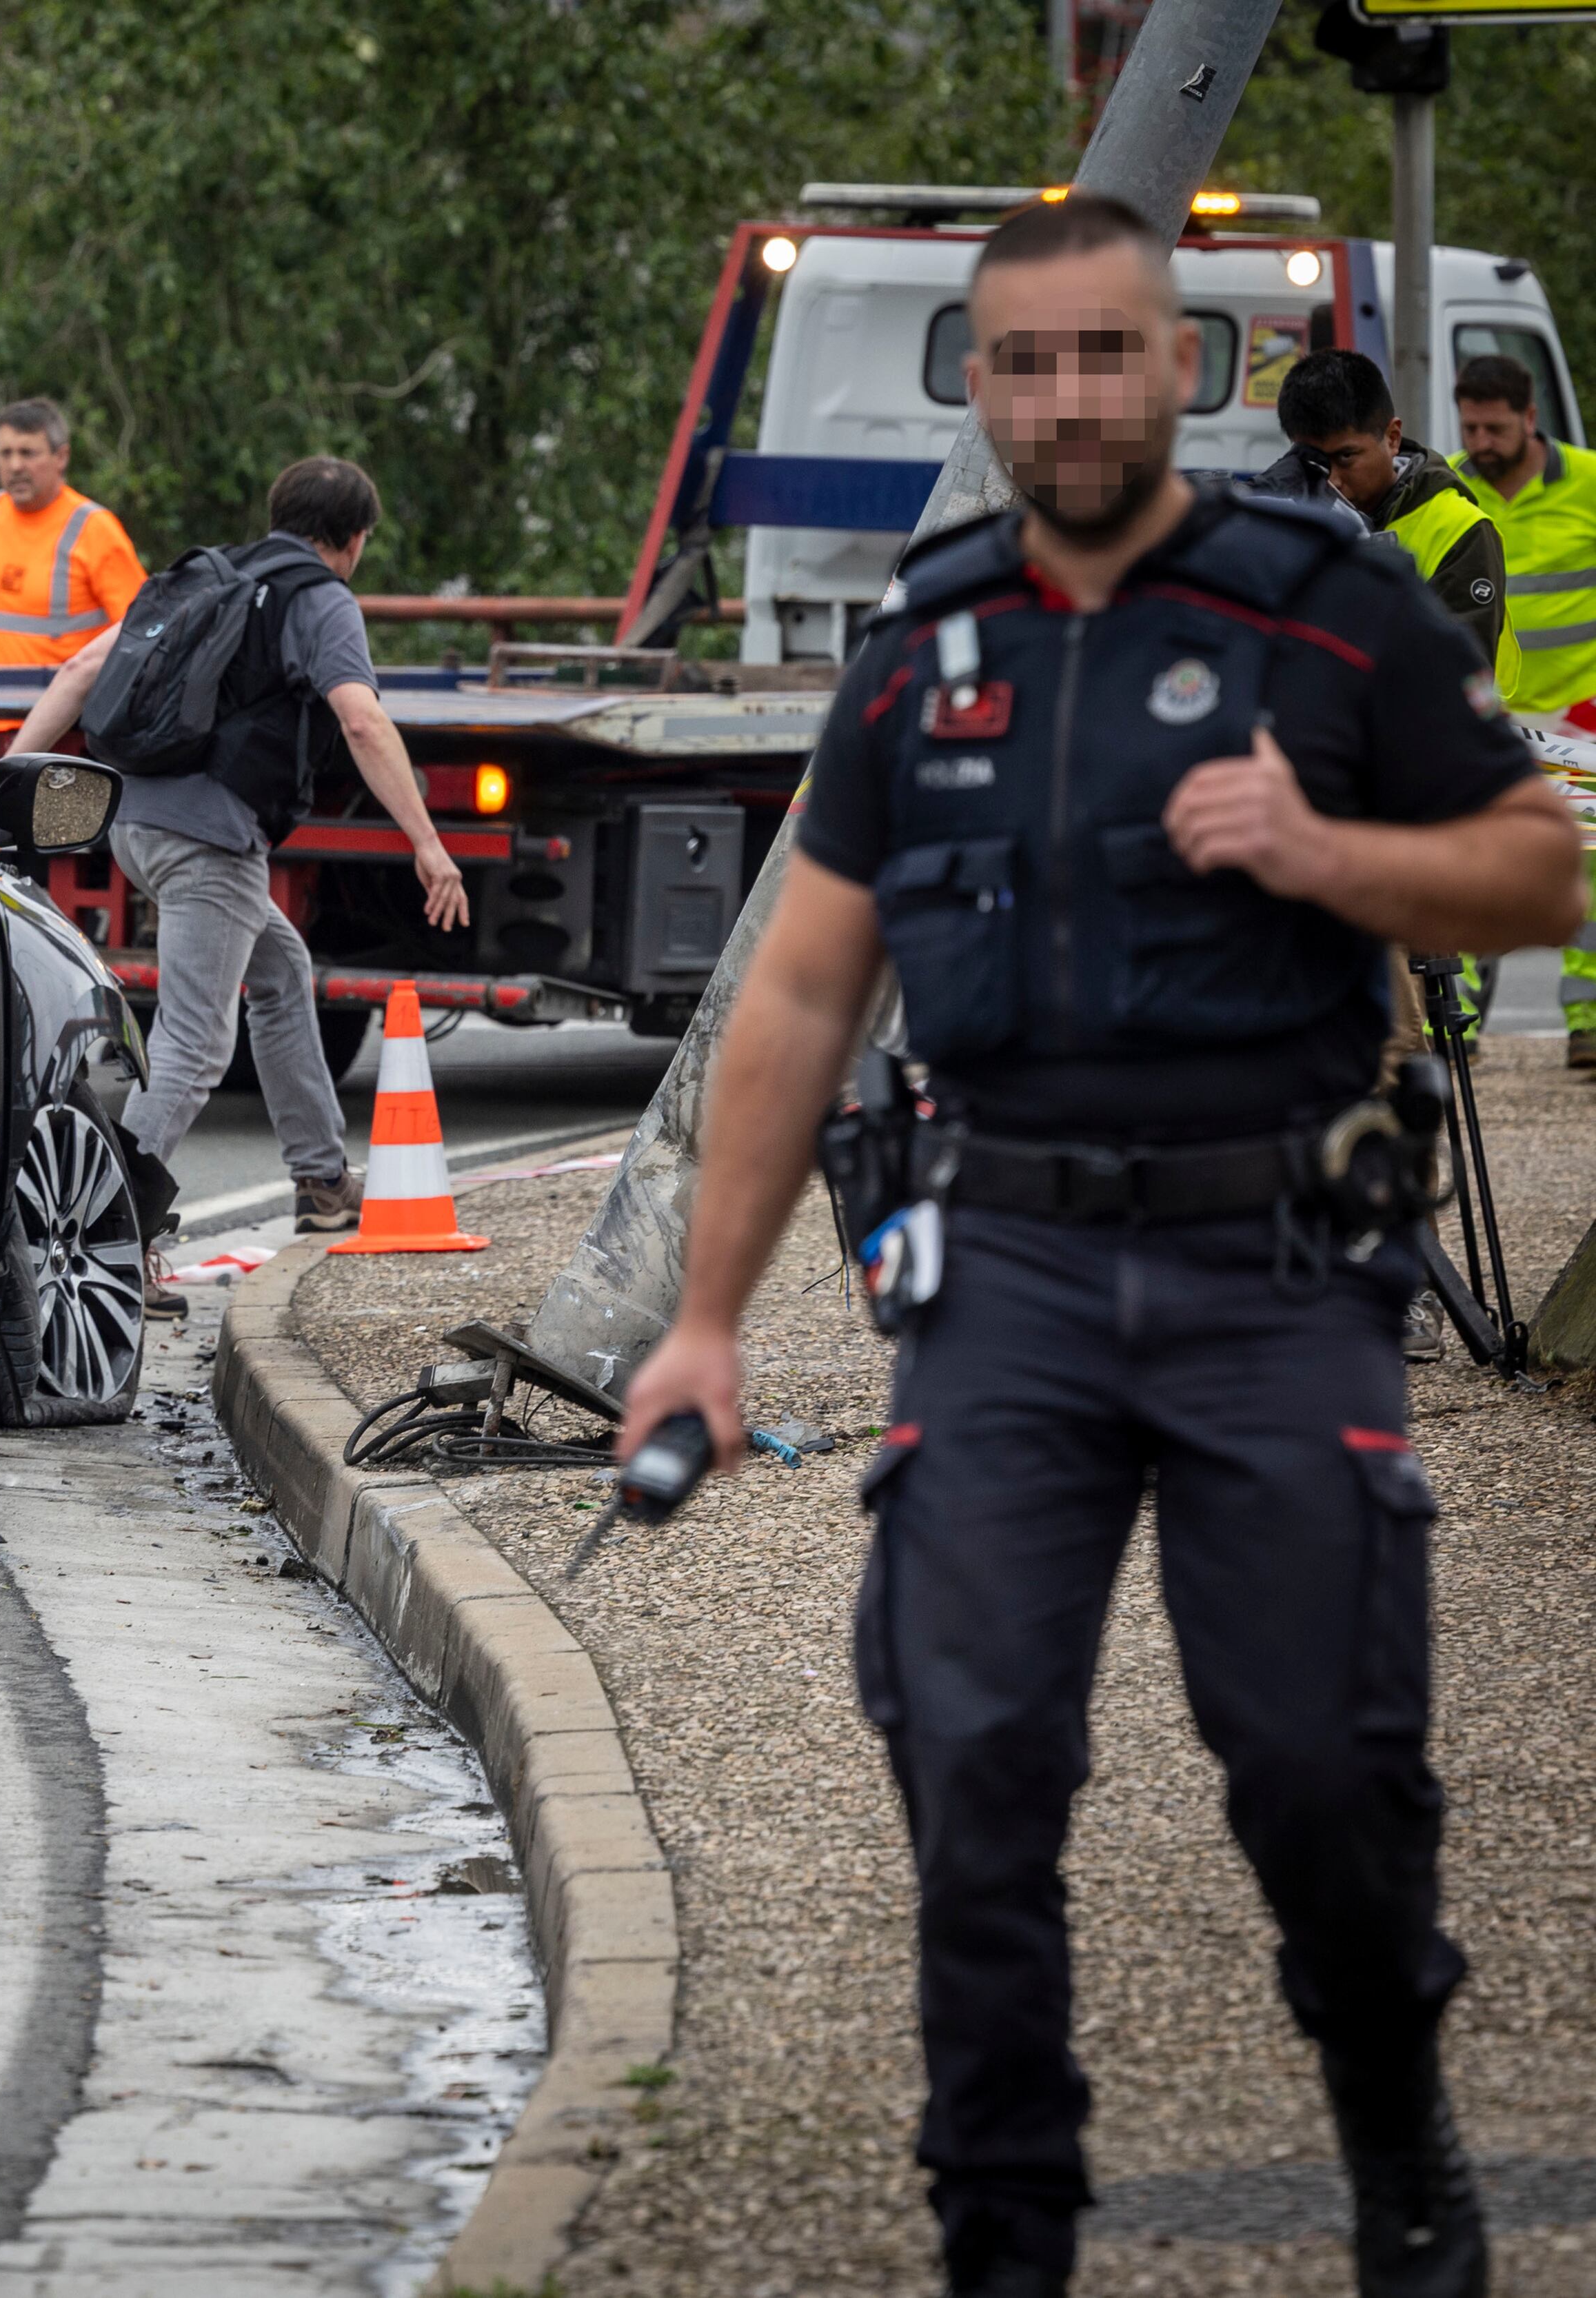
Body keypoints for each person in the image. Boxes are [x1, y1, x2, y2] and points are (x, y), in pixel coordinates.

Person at [616, 194, 1579, 2298]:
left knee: (1321, 1768)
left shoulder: (1323, 607)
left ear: (1179, 371)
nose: (1066, 399)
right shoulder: (927, 640)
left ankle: (1395, 2132)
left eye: (1106, 355)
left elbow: (1537, 870)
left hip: (1269, 1265)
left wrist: (1323, 851)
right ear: (982, 382)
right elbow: (804, 985)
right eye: (1026, 362)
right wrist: (702, 1318)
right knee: (971, 1765)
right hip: (1007, 1279)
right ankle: (1006, 2230)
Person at [11, 456, 467, 1293]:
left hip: (135, 821)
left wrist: (6, 780)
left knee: (281, 970)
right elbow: (361, 722)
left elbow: (77, 673)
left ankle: (321, 1182)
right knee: (194, 1042)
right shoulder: (320, 600)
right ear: (353, 540)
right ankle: (109, 1234)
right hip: (208, 842)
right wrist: (428, 844)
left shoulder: (203, 576)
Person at [1453, 352, 1596, 1060]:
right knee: (1473, 871)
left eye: (1495, 428)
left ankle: (1588, 1023)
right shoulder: (1448, 488)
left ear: (1530, 418)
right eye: (1470, 428)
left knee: (1589, 876)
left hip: (1579, 714)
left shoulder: (1588, 483)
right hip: (1491, 716)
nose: (1480, 442)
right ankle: (1456, 1030)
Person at [1274, 349, 1510, 667]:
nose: (1332, 479)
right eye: (1313, 461)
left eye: (1346, 457)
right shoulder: (1289, 517)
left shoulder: (1460, 529)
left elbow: (1458, 673)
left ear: (1392, 438)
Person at [0, 399, 147, 669]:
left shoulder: (95, 530)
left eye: (28, 453)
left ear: (61, 457)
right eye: (5, 453)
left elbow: (141, 629)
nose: (15, 465)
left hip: (68, 695)